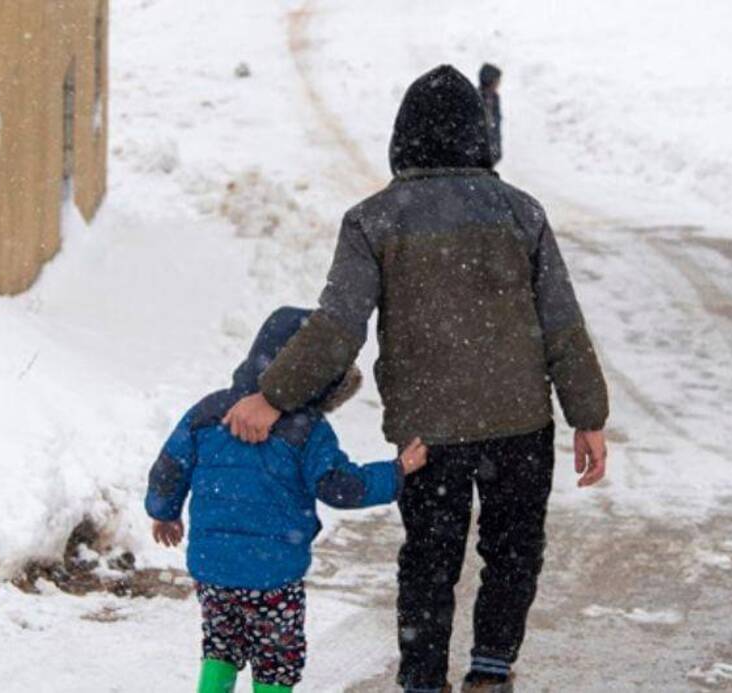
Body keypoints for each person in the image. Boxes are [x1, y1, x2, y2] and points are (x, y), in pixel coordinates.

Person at [221, 65, 610, 693]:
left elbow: (336, 326)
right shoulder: (520, 212)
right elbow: (562, 321)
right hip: (521, 427)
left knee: (429, 560)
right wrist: (587, 414)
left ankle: (424, 680)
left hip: (428, 435)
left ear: (403, 138)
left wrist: (273, 394)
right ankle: (490, 669)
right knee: (513, 553)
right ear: (478, 137)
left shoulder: (376, 219)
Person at [146, 306, 429, 693]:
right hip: (272, 575)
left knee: (221, 645)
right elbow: (339, 487)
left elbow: (169, 466)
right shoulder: (307, 428)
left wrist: (164, 512)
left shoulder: (208, 410)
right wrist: (396, 471)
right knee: (277, 658)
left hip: (214, 568)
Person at [478, 63, 504, 166]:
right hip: (481, 154)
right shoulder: (477, 97)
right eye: (497, 80)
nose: (499, 83)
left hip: (491, 153)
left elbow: (496, 125)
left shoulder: (494, 98)